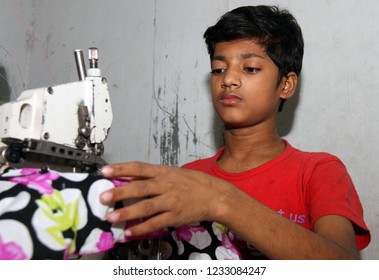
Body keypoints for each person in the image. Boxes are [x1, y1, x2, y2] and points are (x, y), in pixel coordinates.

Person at [99, 5, 370, 259]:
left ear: (286, 85)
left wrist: (222, 200)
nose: (228, 79)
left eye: (250, 68)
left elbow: (343, 267)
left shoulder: (318, 171)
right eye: (218, 69)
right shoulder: (190, 176)